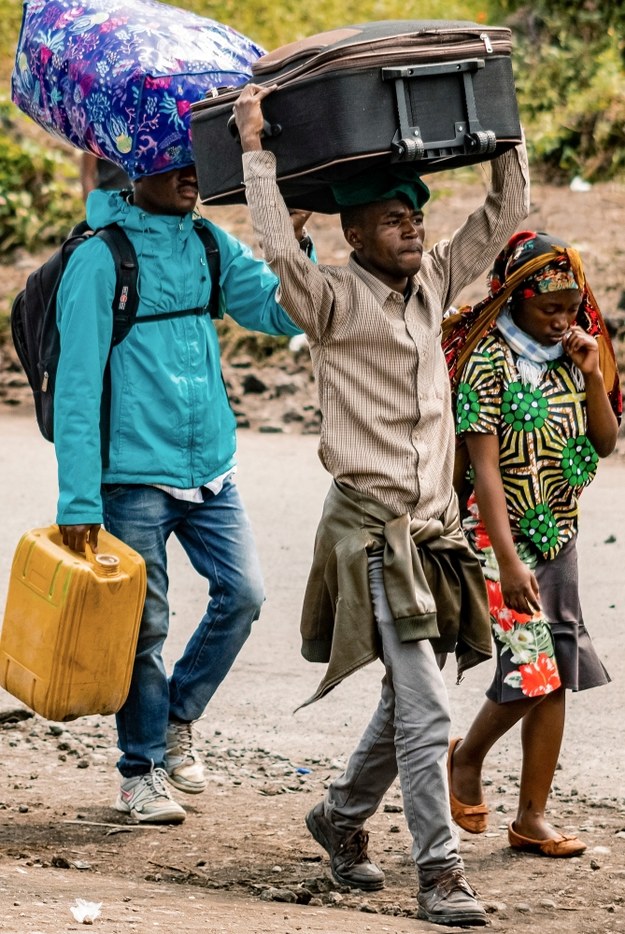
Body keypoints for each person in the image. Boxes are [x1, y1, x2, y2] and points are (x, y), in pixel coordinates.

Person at [233, 84, 530, 927]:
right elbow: (275, 250)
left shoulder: (435, 281)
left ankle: (338, 816)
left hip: (434, 533)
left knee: (409, 700)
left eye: (414, 214)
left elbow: (504, 211)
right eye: (392, 217)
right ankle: (438, 874)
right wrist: (256, 145)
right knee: (428, 706)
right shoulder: (327, 301)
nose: (412, 225)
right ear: (353, 232)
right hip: (370, 533)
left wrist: (497, 131)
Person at [55, 161, 306, 824]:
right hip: (130, 476)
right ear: (134, 171)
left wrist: (294, 246)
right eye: (171, 164)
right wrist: (79, 502)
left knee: (244, 593)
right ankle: (139, 772)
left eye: (195, 161)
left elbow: (277, 314)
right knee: (145, 628)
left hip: (210, 468)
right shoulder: (98, 259)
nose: (191, 175)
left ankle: (175, 718)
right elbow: (77, 389)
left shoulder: (207, 242)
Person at [442, 231, 621, 857]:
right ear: (516, 299)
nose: (563, 320)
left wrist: (593, 373)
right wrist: (510, 560)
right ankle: (465, 759)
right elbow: (483, 470)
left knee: (557, 670)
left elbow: (604, 442)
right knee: (533, 669)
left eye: (572, 308)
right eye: (550, 309)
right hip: (498, 536)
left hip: (559, 532)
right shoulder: (487, 362)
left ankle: (531, 816)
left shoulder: (575, 354)